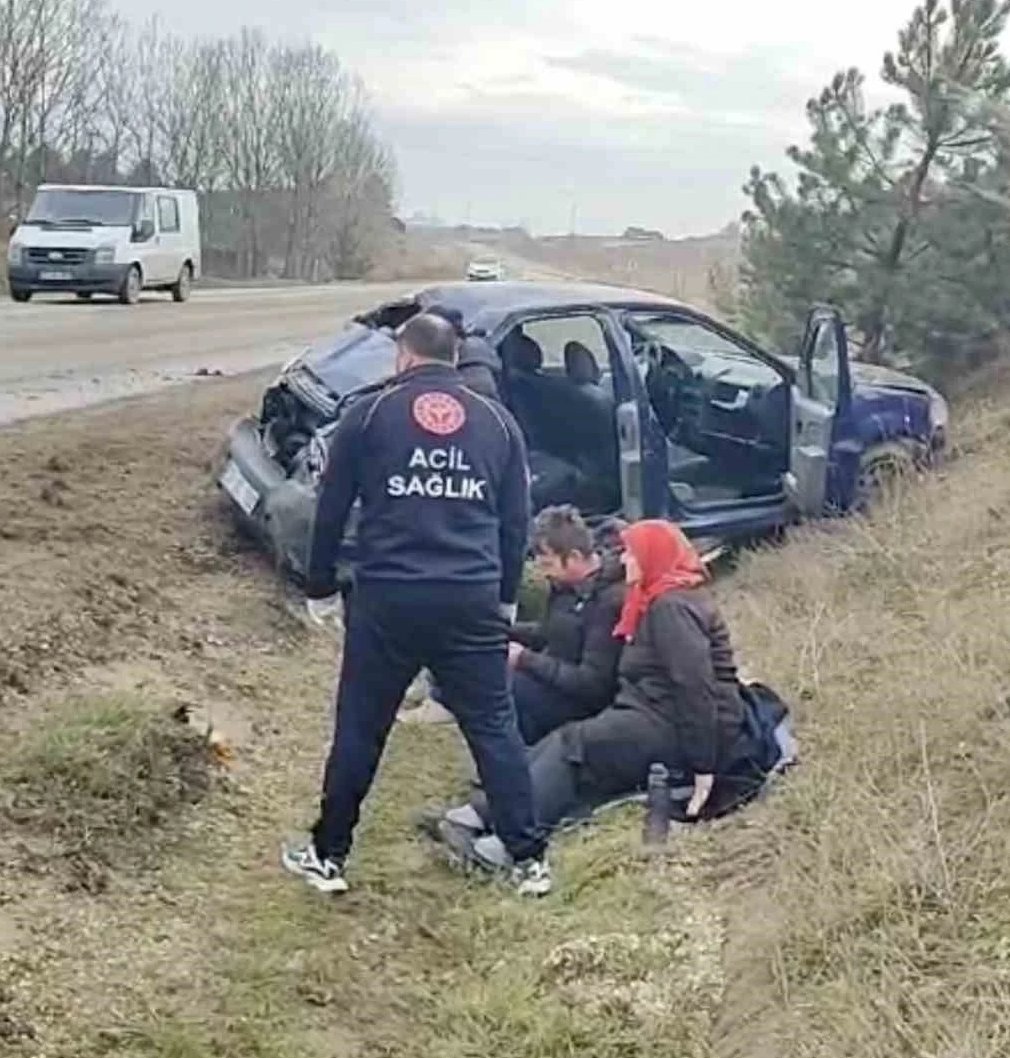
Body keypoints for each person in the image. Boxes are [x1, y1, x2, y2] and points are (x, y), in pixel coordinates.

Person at [282, 311, 552, 897]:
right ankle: (529, 860)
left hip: (387, 598)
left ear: (403, 357)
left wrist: (320, 587)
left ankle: (329, 855)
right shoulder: (498, 423)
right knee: (492, 726)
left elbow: (330, 509)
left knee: (361, 727)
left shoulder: (371, 414)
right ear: (455, 357)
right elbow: (514, 524)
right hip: (470, 597)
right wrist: (505, 598)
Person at [441, 519, 794, 866]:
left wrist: (704, 766)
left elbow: (695, 688)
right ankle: (481, 812)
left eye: (633, 555)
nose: (624, 561)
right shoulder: (659, 599)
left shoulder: (672, 609)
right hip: (650, 711)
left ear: (654, 557)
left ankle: (509, 846)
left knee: (572, 746)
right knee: (558, 742)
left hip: (667, 725)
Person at [506, 506, 625, 745]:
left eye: (548, 564)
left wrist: (525, 659)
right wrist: (504, 631)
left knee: (501, 684)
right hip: (556, 681)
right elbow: (549, 633)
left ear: (574, 558)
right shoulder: (565, 588)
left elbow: (593, 683)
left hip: (584, 703)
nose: (543, 573)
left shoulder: (608, 601)